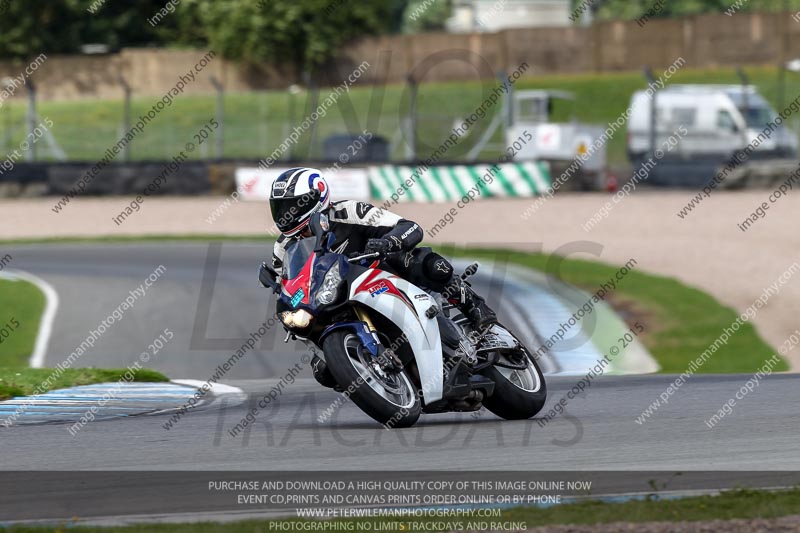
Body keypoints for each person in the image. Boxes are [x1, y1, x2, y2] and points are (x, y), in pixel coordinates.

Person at [267, 167, 497, 331]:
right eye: (281, 207)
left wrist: (389, 243)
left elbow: (409, 227)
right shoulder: (283, 247)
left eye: (293, 205)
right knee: (322, 369)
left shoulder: (348, 211)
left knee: (429, 264)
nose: (286, 214)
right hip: (335, 300)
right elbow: (286, 289)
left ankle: (475, 307)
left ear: (315, 197)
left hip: (382, 277)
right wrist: (280, 295)